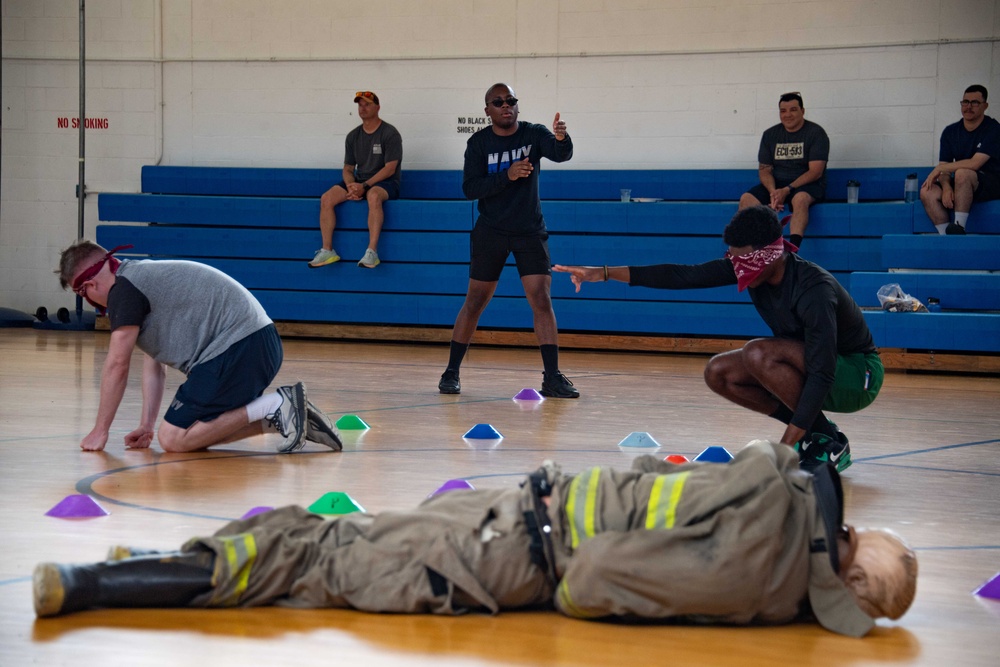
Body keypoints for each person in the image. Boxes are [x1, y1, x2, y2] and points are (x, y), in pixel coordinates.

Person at [32, 439, 918, 638]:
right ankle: (158, 568)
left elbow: (599, 580)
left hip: (506, 549)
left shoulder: (765, 550)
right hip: (511, 523)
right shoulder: (776, 531)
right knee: (323, 539)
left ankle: (100, 588)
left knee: (315, 552)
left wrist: (550, 543)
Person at [553, 205, 884, 471]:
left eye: (744, 261)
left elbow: (823, 370)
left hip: (857, 375)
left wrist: (784, 449)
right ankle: (825, 437)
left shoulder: (814, 289)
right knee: (719, 373)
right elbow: (684, 275)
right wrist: (605, 273)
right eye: (733, 260)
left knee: (759, 354)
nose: (737, 269)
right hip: (815, 366)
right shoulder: (748, 266)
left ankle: (817, 439)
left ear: (771, 254)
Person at [57, 240, 342, 453]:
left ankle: (277, 404)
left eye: (82, 293)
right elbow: (154, 365)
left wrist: (100, 430)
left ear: (90, 285)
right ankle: (285, 417)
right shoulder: (138, 279)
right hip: (254, 344)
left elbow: (117, 365)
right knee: (194, 433)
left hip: (239, 348)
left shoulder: (124, 291)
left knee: (173, 438)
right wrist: (146, 425)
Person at [438, 83, 578, 398]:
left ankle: (552, 377)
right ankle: (451, 372)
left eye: (511, 100)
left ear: (517, 106)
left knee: (541, 297)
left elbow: (560, 153)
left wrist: (561, 138)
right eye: (498, 101)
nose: (506, 105)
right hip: (492, 230)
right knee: (475, 301)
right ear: (487, 110)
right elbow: (470, 189)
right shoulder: (478, 144)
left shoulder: (533, 134)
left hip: (529, 229)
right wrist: (507, 176)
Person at [308, 91, 402, 269]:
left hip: (386, 183)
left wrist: (364, 186)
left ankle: (372, 252)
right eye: (360, 105)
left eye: (367, 104)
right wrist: (352, 186)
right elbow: (348, 168)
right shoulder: (353, 136)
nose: (363, 108)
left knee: (373, 196)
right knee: (326, 198)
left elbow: (390, 168)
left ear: (378, 107)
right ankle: (327, 250)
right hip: (360, 182)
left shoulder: (390, 133)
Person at [738, 91, 829, 249]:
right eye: (783, 111)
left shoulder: (816, 133)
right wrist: (774, 192)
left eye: (793, 109)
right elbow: (764, 170)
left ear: (802, 111)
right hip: (778, 185)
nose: (788, 115)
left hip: (806, 185)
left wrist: (787, 190)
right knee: (746, 199)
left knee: (800, 199)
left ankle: (792, 251)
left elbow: (816, 172)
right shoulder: (770, 135)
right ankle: (751, 251)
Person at [920, 84, 1000, 235]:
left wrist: (939, 169)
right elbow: (944, 167)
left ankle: (959, 227)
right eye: (965, 102)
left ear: (985, 106)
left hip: (990, 184)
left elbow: (974, 164)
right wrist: (947, 187)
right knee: (927, 190)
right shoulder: (950, 131)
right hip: (962, 184)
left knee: (963, 172)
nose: (968, 107)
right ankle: (947, 237)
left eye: (975, 102)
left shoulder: (994, 129)